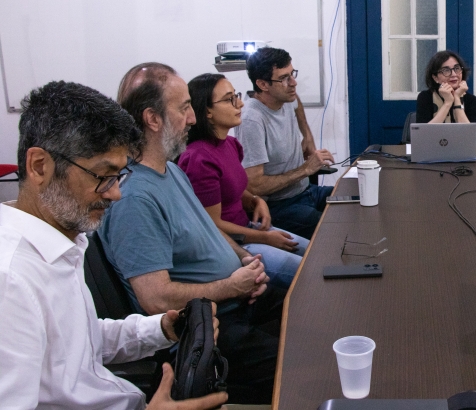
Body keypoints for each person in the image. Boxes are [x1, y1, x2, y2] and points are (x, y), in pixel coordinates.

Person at [0, 80, 227, 409]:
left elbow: (81, 343)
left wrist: (161, 328)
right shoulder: (11, 281)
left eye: (119, 176)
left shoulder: (63, 242)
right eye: (102, 176)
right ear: (40, 166)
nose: (115, 193)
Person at [99, 62, 282, 404]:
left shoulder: (170, 169)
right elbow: (155, 298)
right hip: (212, 330)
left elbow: (207, 228)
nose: (193, 118)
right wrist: (231, 287)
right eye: (184, 109)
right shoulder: (135, 198)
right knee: (307, 362)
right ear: (153, 119)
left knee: (313, 310)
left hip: (238, 302)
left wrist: (245, 259)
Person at [179, 73, 309, 289]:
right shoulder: (198, 158)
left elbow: (235, 190)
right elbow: (213, 225)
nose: (240, 103)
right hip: (233, 245)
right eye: (229, 99)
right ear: (207, 111)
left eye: (236, 96)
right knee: (307, 272)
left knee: (315, 253)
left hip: (249, 229)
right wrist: (264, 238)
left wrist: (257, 200)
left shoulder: (230, 144)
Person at [236, 47, 335, 239]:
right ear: (263, 84)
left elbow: (295, 101)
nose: (293, 83)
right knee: (334, 229)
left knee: (358, 200)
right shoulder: (252, 121)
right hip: (280, 206)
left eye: (292, 74)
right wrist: (306, 169)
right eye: (284, 78)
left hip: (307, 192)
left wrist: (306, 134)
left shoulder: (286, 98)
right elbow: (255, 186)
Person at [416, 50, 476, 124]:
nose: (453, 74)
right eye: (446, 70)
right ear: (435, 78)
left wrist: (457, 98)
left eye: (457, 68)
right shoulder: (426, 97)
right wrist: (448, 102)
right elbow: (424, 134)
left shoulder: (471, 100)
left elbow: (470, 134)